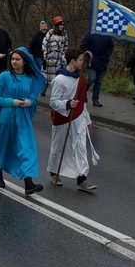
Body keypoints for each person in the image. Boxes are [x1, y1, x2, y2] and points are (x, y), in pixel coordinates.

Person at [0, 47, 46, 194]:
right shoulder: (4, 76)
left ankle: (28, 182)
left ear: (25, 61)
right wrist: (12, 102)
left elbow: (33, 98)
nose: (14, 62)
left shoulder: (30, 79)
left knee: (27, 147)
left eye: (17, 59)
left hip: (23, 118)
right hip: (5, 117)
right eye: (12, 59)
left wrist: (28, 103)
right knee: (3, 145)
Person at [47, 47, 100, 192]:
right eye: (81, 60)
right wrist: (68, 104)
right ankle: (54, 172)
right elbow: (53, 102)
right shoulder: (59, 80)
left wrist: (87, 118)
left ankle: (82, 179)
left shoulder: (81, 78)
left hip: (78, 117)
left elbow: (83, 101)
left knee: (80, 147)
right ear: (73, 61)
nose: (83, 63)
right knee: (59, 147)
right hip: (63, 118)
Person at [79, 31, 114, 107]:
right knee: (92, 78)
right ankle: (82, 92)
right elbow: (82, 45)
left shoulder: (107, 33)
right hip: (91, 61)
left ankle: (95, 99)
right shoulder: (90, 33)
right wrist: (90, 54)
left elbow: (111, 46)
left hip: (103, 61)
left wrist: (107, 55)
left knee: (99, 81)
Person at [42, 16, 69, 93]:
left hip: (60, 59)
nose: (61, 27)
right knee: (47, 77)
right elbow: (44, 44)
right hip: (50, 58)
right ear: (56, 26)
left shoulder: (64, 33)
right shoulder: (50, 33)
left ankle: (56, 94)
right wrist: (45, 56)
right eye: (60, 25)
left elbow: (66, 45)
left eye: (62, 25)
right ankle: (43, 91)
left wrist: (64, 54)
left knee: (58, 78)